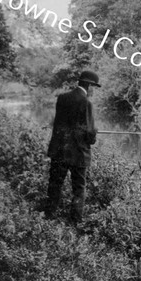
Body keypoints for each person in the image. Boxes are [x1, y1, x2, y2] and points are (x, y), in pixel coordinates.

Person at [45, 70, 100, 223]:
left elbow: (60, 125)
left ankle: (49, 215)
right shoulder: (86, 103)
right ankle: (74, 221)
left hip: (59, 150)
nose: (94, 90)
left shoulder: (62, 98)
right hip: (78, 154)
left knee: (55, 184)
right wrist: (94, 133)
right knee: (79, 188)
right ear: (88, 85)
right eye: (94, 86)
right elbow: (89, 135)